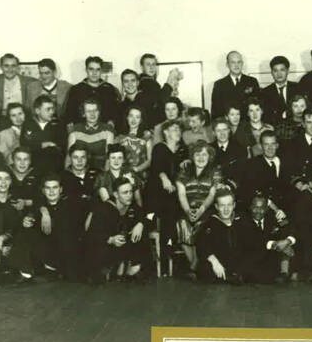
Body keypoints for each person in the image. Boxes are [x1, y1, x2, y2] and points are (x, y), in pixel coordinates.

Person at [10, 173, 79, 283]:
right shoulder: (39, 207)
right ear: (43, 190)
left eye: (55, 188)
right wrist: (28, 220)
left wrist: (45, 211)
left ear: (61, 189)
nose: (51, 191)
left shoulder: (70, 205)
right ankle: (25, 271)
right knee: (25, 232)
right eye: (48, 188)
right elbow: (33, 214)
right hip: (45, 250)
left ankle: (52, 270)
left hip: (65, 252)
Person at [176, 140, 225, 278]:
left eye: (204, 154)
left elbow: (212, 194)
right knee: (182, 224)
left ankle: (193, 267)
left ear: (209, 156)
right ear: (192, 156)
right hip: (187, 208)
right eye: (197, 154)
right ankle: (195, 264)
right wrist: (187, 210)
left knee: (201, 226)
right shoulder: (185, 170)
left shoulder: (215, 171)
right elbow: (181, 193)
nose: (201, 157)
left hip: (207, 209)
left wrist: (201, 210)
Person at [86, 176, 148, 282]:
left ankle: (131, 267)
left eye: (131, 192)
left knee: (139, 233)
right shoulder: (104, 209)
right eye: (125, 193)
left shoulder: (132, 206)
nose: (129, 196)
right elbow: (91, 234)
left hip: (123, 247)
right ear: (115, 194)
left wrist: (141, 224)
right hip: (104, 247)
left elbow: (145, 215)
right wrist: (110, 239)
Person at [146, 120, 188, 273]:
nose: (178, 131)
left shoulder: (182, 150)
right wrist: (165, 179)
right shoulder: (159, 148)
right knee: (167, 206)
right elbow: (158, 167)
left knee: (172, 207)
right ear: (166, 132)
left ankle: (168, 253)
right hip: (158, 191)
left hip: (174, 192)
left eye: (179, 129)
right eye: (174, 129)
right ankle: (164, 256)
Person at [237, 193, 296, 284]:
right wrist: (276, 245)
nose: (258, 211)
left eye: (262, 208)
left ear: (267, 209)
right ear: (250, 207)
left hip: (269, 258)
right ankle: (284, 274)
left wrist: (287, 241)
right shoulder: (243, 221)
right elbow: (254, 242)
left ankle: (284, 273)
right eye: (255, 207)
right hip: (252, 259)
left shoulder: (272, 218)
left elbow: (290, 228)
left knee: (291, 246)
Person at [193, 188, 245, 284]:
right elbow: (201, 245)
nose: (226, 209)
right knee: (206, 270)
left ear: (234, 205)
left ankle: (234, 276)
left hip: (236, 263)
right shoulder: (210, 223)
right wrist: (213, 261)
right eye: (222, 205)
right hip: (218, 263)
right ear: (216, 206)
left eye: (229, 205)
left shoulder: (241, 221)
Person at [239, 130, 293, 218]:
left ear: (277, 145)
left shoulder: (287, 163)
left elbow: (290, 191)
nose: (270, 148)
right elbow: (249, 190)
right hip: (264, 212)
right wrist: (274, 208)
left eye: (272, 144)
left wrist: (286, 211)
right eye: (266, 144)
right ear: (261, 146)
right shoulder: (252, 165)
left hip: (286, 211)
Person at [61, 144, 100, 255]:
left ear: (87, 158)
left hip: (94, 215)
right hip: (72, 219)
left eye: (82, 157)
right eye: (75, 157)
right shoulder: (62, 176)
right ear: (70, 158)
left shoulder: (97, 174)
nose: (79, 161)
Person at [64, 56, 121, 128]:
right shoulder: (76, 89)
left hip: (104, 132)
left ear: (101, 71)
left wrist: (112, 121)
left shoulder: (109, 89)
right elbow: (69, 114)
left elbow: (116, 112)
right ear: (86, 70)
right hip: (81, 132)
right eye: (91, 69)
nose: (94, 73)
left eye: (98, 69)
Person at [20, 95, 66, 177]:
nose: (52, 112)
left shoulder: (58, 124)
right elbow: (24, 145)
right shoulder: (28, 124)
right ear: (37, 111)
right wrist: (42, 145)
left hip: (54, 168)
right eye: (48, 109)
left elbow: (61, 147)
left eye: (53, 109)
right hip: (32, 168)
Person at [67, 98, 115, 170]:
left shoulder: (107, 130)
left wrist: (105, 178)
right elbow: (69, 157)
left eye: (95, 110)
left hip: (101, 171)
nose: (92, 114)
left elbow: (109, 158)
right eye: (89, 111)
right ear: (83, 113)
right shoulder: (75, 130)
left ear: (98, 112)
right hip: (80, 170)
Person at [210, 51, 260, 118]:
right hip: (228, 125)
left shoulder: (252, 81)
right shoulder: (219, 85)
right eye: (233, 62)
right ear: (227, 64)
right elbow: (216, 111)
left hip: (248, 124)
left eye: (239, 62)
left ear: (242, 64)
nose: (236, 65)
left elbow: (258, 106)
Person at [138, 53, 181, 126]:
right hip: (152, 124)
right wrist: (170, 78)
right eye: (148, 64)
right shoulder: (146, 82)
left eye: (153, 64)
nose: (151, 67)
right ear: (142, 67)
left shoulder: (148, 81)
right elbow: (162, 100)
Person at [287, 109, 312, 190]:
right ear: (303, 124)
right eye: (309, 122)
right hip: (300, 187)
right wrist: (298, 183)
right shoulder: (293, 143)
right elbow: (289, 168)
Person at [114, 106, 153, 188]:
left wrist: (136, 169)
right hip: (122, 176)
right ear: (127, 117)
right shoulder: (119, 138)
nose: (133, 120)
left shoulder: (146, 136)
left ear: (141, 120)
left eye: (137, 117)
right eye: (131, 116)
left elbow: (150, 160)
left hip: (141, 175)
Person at [259, 56, 301, 125]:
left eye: (282, 70)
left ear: (287, 71)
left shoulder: (297, 88)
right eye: (275, 71)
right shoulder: (265, 93)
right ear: (271, 73)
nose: (279, 74)